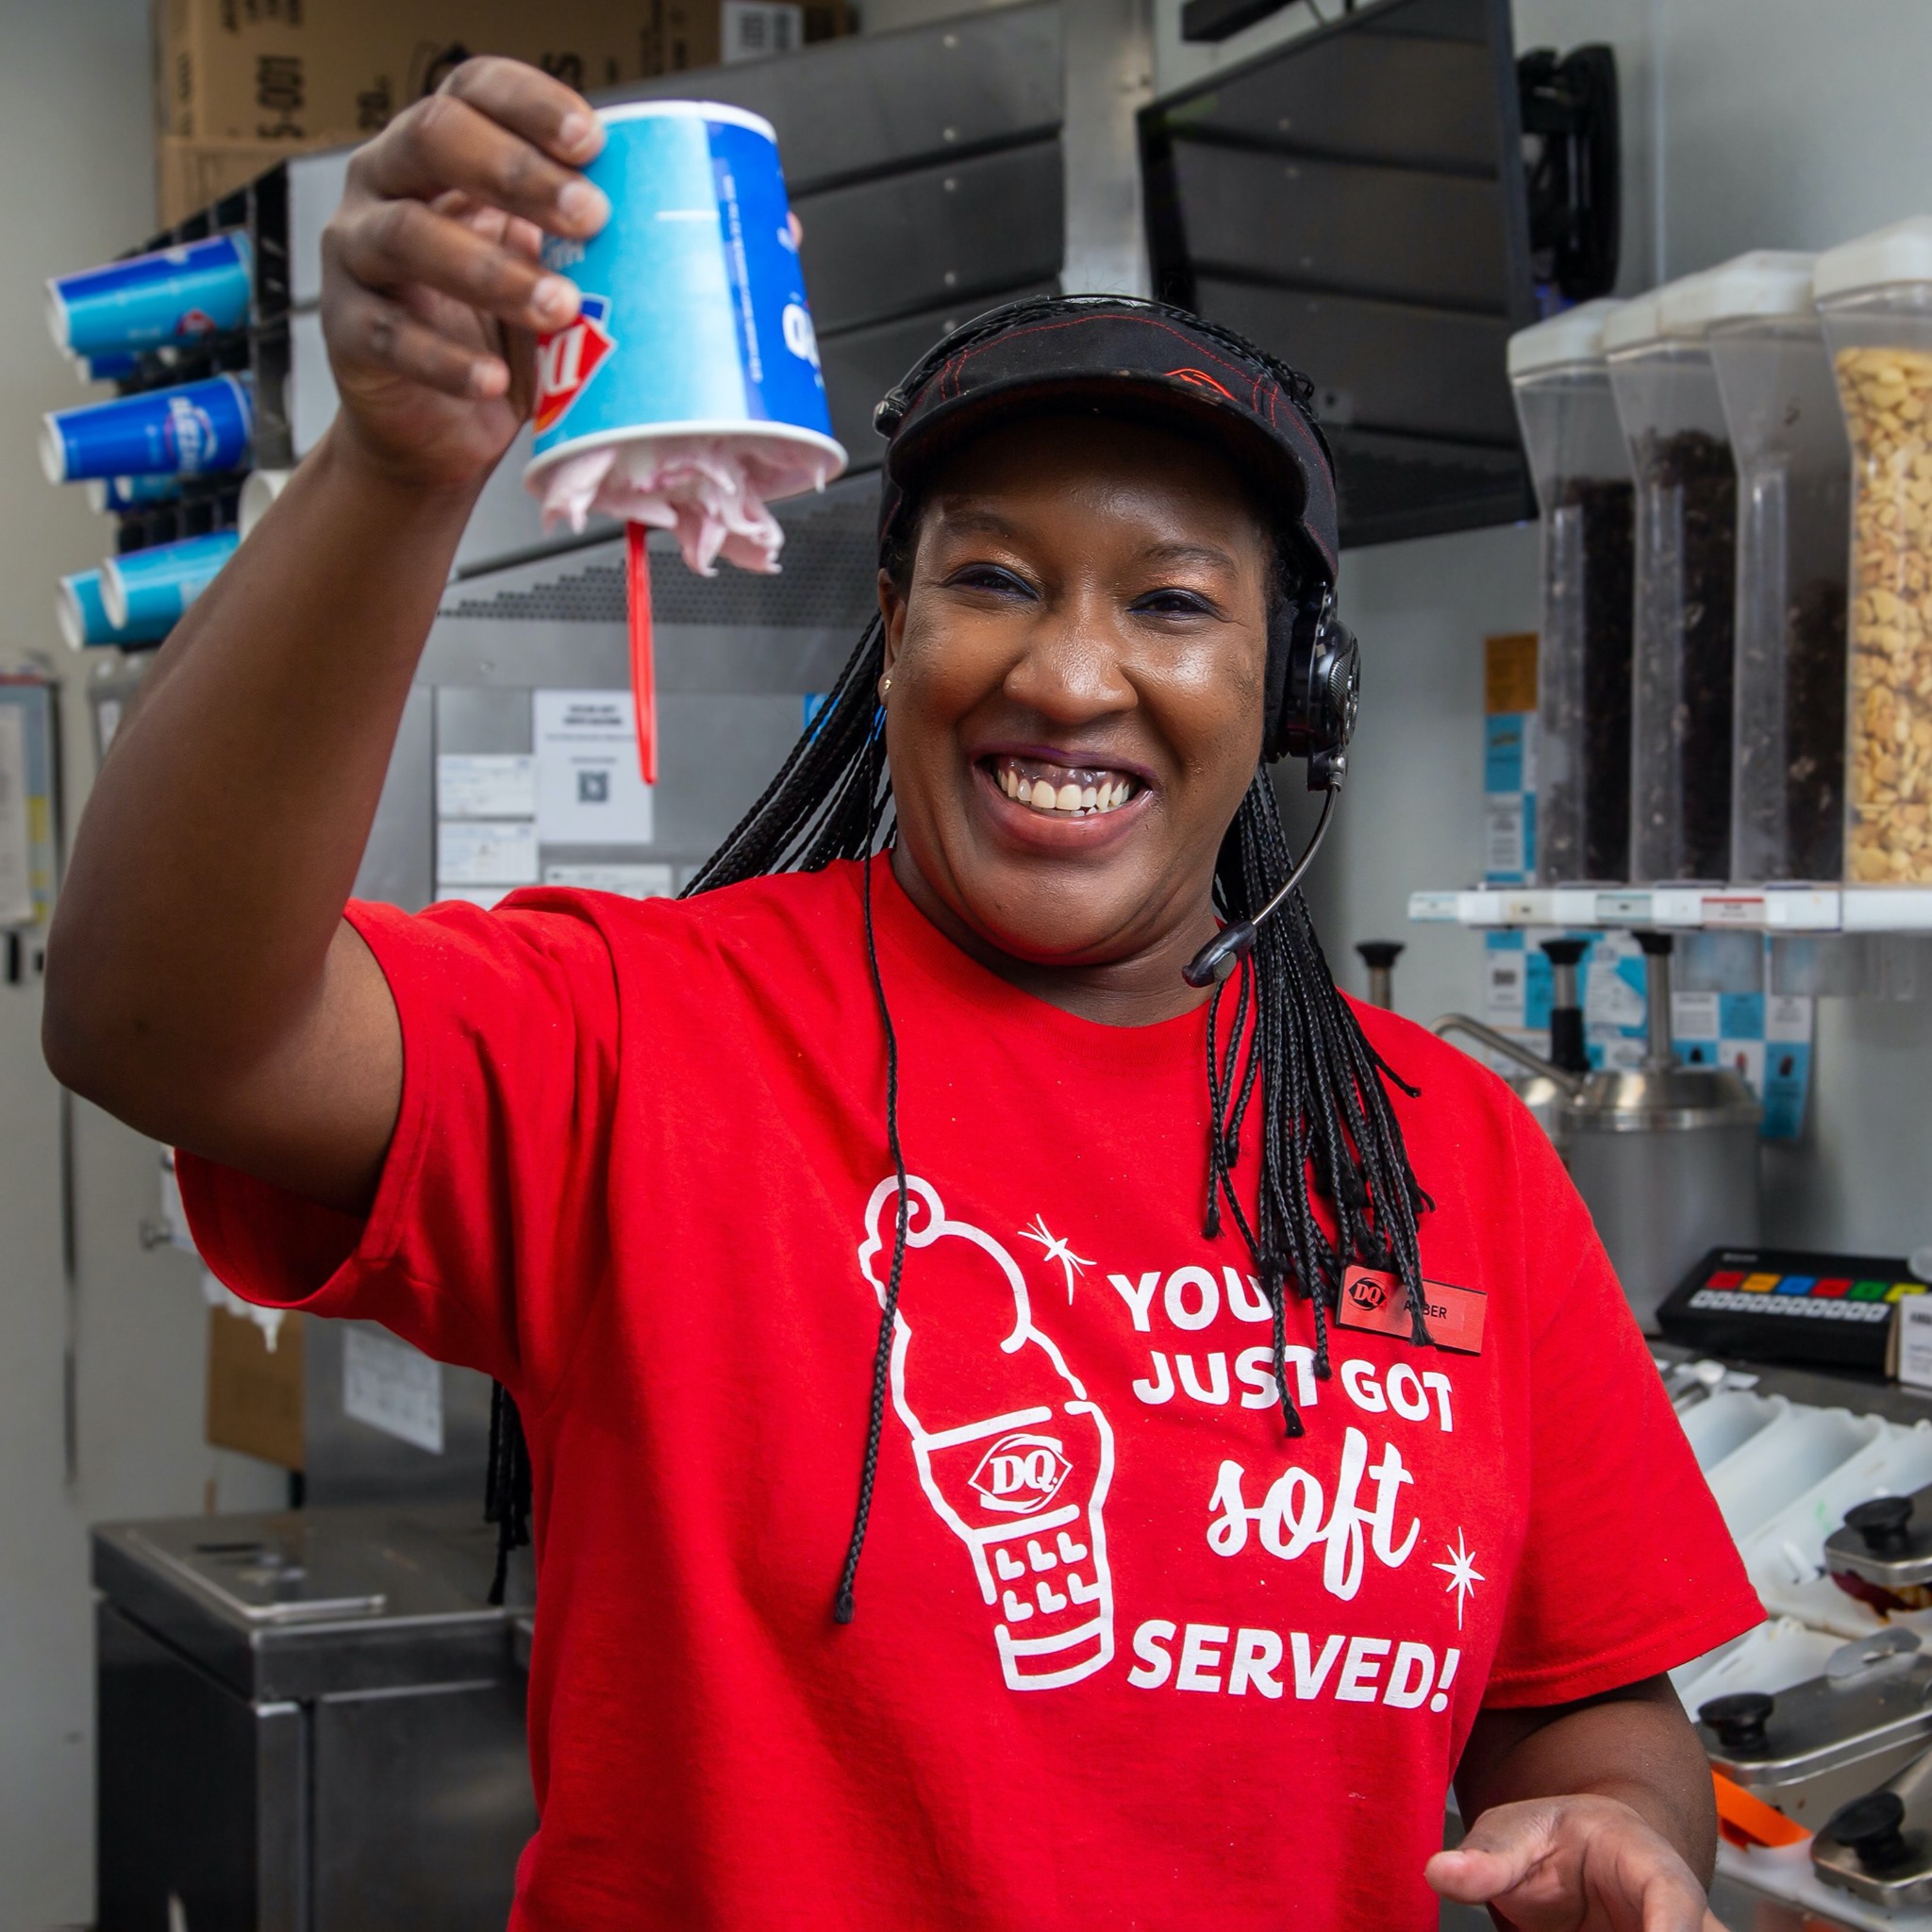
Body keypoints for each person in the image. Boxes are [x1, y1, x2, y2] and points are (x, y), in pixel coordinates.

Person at [44, 57, 1760, 1932]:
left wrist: (1620, 1832)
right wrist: (390, 470)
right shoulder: (648, 1036)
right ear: (893, 631)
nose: (1069, 676)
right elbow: (157, 1021)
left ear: (1292, 686)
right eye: (994, 580)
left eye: (1173, 603)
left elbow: (1589, 1702)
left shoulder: (1452, 1155)